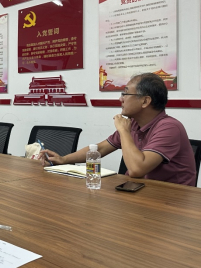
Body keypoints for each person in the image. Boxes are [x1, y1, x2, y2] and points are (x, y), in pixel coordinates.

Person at [40, 73, 196, 186]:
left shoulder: (169, 127)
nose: (120, 99)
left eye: (125, 93)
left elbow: (137, 169)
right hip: (138, 191)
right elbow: (100, 148)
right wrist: (64, 159)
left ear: (145, 101)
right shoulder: (133, 123)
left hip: (170, 201)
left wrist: (123, 131)